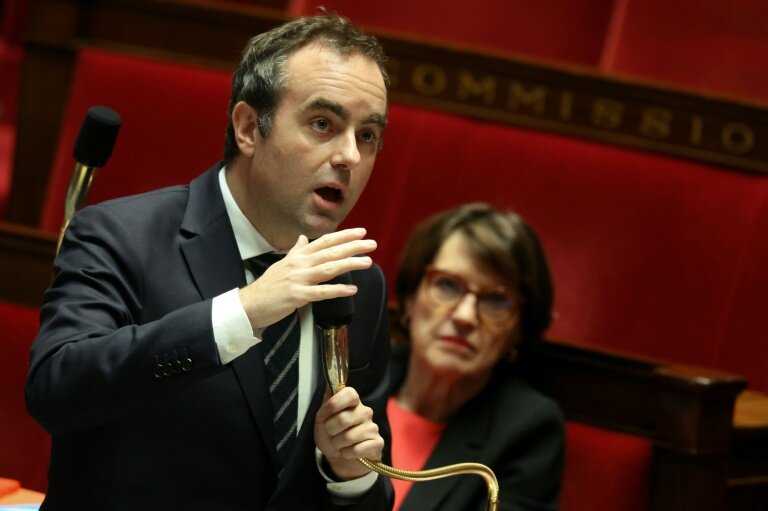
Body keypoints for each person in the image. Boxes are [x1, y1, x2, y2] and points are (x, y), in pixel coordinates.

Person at [25, 13, 394, 511]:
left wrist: (350, 476)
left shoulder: (358, 283)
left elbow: (366, 480)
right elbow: (57, 391)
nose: (349, 155)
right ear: (248, 128)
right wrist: (243, 311)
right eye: (323, 124)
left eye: (367, 135)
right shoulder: (122, 235)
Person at [388, 203, 565, 511]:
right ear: (411, 298)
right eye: (447, 284)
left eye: (496, 301)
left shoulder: (529, 430)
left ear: (519, 330)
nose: (465, 316)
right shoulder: (350, 376)